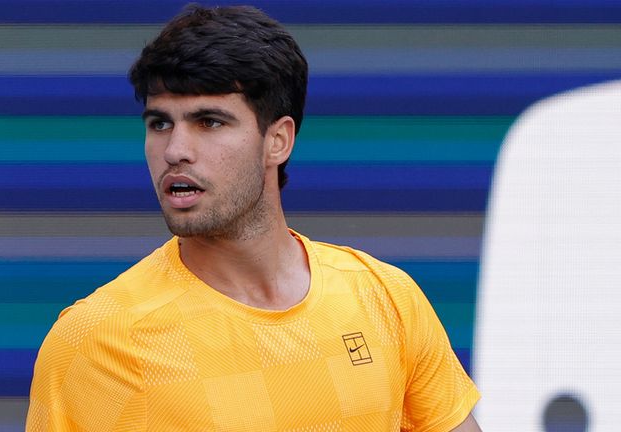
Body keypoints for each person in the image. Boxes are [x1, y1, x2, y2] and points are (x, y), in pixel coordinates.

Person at [26, 4, 481, 431]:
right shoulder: (97, 340)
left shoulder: (385, 297)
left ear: (277, 141)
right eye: (160, 123)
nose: (175, 150)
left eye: (209, 122)